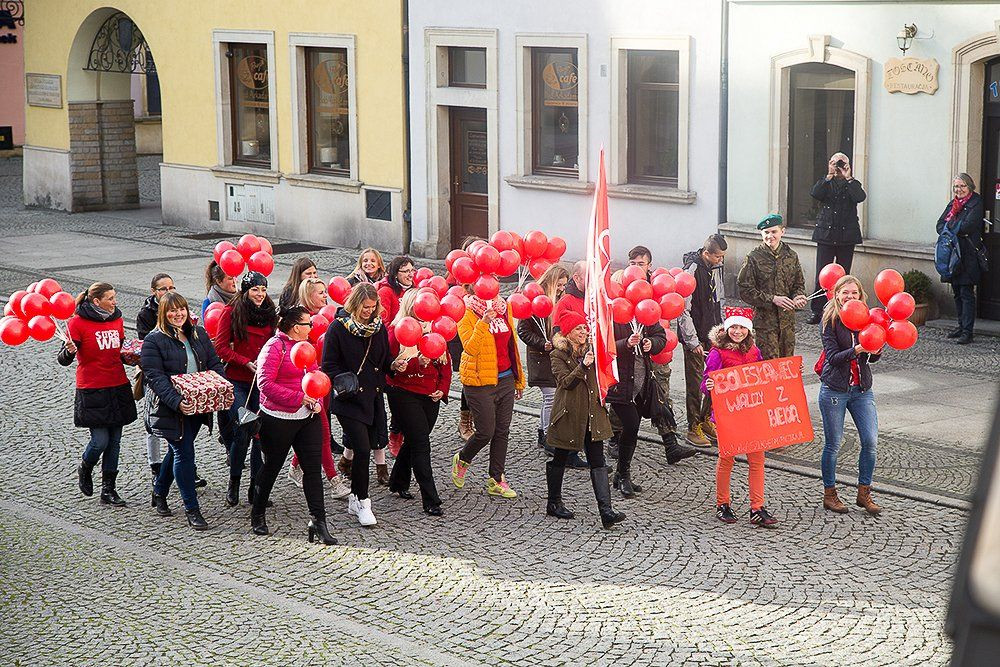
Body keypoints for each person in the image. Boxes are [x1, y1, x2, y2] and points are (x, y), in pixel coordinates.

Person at [249, 306, 337, 545]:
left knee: (312, 470)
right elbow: (265, 384)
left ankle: (318, 522)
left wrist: (317, 401)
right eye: (308, 323)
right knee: (272, 468)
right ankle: (257, 513)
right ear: (296, 327)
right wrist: (299, 398)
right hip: (277, 420)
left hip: (307, 418)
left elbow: (315, 376)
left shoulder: (307, 347)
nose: (312, 326)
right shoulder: (274, 347)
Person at [142, 292, 228, 530]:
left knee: (178, 449)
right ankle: (192, 509)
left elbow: (214, 363)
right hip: (170, 408)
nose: (177, 314)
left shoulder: (198, 333)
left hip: (198, 406)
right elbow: (156, 378)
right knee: (184, 453)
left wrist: (219, 386)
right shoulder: (153, 340)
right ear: (163, 313)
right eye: (171, 310)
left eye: (181, 309)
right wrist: (177, 401)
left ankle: (159, 491)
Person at [58, 282, 138, 507]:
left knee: (115, 441)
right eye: (110, 298)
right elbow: (63, 360)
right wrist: (68, 352)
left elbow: (120, 350)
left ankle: (108, 489)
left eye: (114, 297)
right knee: (100, 441)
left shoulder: (117, 319)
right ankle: (85, 466)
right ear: (96, 301)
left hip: (118, 384)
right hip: (92, 388)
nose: (115, 302)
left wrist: (131, 356)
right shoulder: (77, 324)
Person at [546, 311, 627, 529]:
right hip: (569, 415)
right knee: (560, 458)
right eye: (578, 329)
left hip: (592, 414)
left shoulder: (593, 349)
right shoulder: (558, 355)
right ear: (568, 333)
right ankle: (553, 502)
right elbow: (565, 382)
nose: (583, 332)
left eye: (584, 328)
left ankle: (606, 511)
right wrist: (583, 366)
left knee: (598, 461)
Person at [322, 283, 391, 526]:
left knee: (370, 444)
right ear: (355, 304)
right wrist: (347, 380)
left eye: (373, 308)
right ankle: (363, 501)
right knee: (362, 449)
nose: (369, 312)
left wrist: (395, 367)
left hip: (372, 398)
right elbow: (328, 365)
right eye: (365, 307)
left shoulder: (379, 328)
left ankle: (355, 498)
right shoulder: (337, 329)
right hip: (349, 399)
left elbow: (385, 361)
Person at [701, 308, 777, 527]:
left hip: (752, 414)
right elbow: (706, 383)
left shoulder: (754, 351)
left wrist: (789, 372)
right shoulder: (717, 353)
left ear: (748, 330)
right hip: (729, 416)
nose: (737, 331)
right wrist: (709, 386)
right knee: (727, 460)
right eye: (733, 327)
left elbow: (764, 375)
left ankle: (757, 507)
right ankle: (722, 504)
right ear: (726, 328)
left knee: (757, 461)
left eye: (742, 327)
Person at [451, 282, 526, 499]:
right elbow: (471, 349)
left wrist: (518, 379)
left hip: (505, 379)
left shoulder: (504, 307)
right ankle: (463, 458)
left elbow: (511, 346)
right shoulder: (463, 313)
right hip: (479, 381)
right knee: (486, 431)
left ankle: (496, 479)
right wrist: (483, 322)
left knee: (503, 431)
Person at [623, 246, 695, 465]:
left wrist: (653, 343)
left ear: (649, 265)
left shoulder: (659, 286)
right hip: (628, 358)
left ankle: (670, 444)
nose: (636, 268)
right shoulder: (621, 288)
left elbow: (664, 326)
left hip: (657, 354)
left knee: (661, 398)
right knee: (626, 400)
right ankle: (617, 441)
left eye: (641, 264)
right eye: (633, 264)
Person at [818, 275, 883, 516]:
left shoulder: (866, 319)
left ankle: (864, 492)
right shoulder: (830, 322)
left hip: (861, 390)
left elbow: (871, 358)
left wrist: (876, 349)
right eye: (845, 293)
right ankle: (830, 494)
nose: (850, 297)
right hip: (835, 389)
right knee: (833, 444)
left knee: (871, 442)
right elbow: (833, 358)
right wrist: (857, 349)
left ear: (861, 295)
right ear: (836, 295)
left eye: (854, 293)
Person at [212, 271, 277, 507]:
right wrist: (245, 361)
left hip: (261, 382)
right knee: (244, 429)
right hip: (238, 380)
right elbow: (220, 347)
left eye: (263, 289)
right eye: (255, 290)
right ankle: (234, 481)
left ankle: (255, 488)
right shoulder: (231, 312)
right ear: (245, 290)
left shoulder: (270, 312)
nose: (260, 294)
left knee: (260, 436)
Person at [386, 290, 450, 516]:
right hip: (403, 393)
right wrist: (415, 364)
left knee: (414, 441)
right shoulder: (396, 332)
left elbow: (446, 366)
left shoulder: (436, 330)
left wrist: (442, 390)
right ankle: (430, 499)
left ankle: (398, 481)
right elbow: (390, 370)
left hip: (429, 394)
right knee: (421, 443)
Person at [287, 277, 351, 498]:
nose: (325, 295)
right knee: (322, 431)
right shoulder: (300, 320)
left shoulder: (330, 317)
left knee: (314, 430)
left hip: (323, 380)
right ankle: (334, 481)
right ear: (308, 295)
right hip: (305, 385)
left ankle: (296, 467)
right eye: (320, 292)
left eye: (325, 292)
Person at [518, 264, 585, 465]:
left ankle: (542, 432)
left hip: (554, 356)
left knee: (552, 396)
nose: (563, 289)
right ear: (552, 282)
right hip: (541, 357)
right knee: (551, 397)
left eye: (565, 285)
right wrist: (542, 343)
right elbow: (523, 330)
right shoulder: (536, 298)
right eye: (560, 285)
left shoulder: (559, 300)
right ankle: (549, 436)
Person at [604, 295, 667, 499]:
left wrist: (652, 343)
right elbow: (606, 345)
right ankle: (624, 474)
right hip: (621, 383)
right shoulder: (615, 312)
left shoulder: (645, 309)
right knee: (630, 426)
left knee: (633, 428)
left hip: (642, 383)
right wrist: (626, 343)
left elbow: (661, 336)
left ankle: (621, 475)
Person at [677, 235, 728, 447]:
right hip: (696, 337)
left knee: (714, 381)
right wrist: (693, 341)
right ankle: (693, 426)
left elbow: (720, 300)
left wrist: (722, 330)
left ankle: (707, 419)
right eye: (718, 256)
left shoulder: (716, 267)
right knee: (696, 384)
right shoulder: (691, 271)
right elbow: (682, 310)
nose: (721, 260)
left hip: (713, 335)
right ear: (706, 254)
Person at [807, 153, 868, 325]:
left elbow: (860, 197)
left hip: (846, 237)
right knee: (822, 275)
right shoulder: (826, 183)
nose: (839, 166)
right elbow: (815, 193)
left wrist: (848, 177)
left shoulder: (853, 184)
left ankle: (842, 310)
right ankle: (817, 311)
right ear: (829, 164)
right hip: (826, 236)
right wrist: (829, 175)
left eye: (842, 163)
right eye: (835, 163)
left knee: (844, 278)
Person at [737, 214, 807, 360]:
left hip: (787, 322)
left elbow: (798, 284)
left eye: (774, 232)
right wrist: (772, 299)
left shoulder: (791, 256)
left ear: (783, 231)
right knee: (769, 365)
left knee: (787, 364)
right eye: (766, 232)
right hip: (765, 323)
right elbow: (745, 290)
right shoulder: (754, 257)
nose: (770, 236)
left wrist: (798, 296)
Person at [936, 173, 985, 345]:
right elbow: (939, 225)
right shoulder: (953, 204)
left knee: (966, 293)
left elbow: (967, 226)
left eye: (962, 186)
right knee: (956, 292)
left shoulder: (976, 203)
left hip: (968, 256)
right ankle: (960, 326)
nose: (959, 189)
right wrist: (952, 229)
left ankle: (968, 332)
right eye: (956, 186)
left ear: (970, 187)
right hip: (953, 255)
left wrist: (951, 229)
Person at [136, 273, 176, 480]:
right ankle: (155, 466)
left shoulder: (178, 309)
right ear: (154, 292)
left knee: (177, 425)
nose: (168, 293)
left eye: (171, 288)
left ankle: (179, 464)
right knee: (153, 423)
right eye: (163, 289)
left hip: (176, 374)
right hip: (154, 375)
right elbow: (146, 347)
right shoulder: (146, 314)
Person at [450, 236, 484, 443]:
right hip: (462, 332)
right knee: (468, 378)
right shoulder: (455, 277)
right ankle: (465, 420)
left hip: (483, 328)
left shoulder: (487, 275)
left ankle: (479, 417)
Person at [376, 255, 415, 327]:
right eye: (406, 271)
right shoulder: (385, 292)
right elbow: (383, 324)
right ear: (396, 274)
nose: (411, 275)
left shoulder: (414, 291)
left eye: (412, 270)